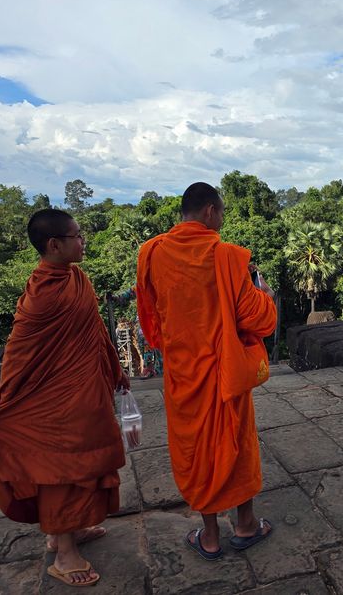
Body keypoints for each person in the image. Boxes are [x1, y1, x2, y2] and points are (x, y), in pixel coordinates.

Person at [0, 209, 129, 587]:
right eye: (76, 236)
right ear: (54, 245)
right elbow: (21, 353)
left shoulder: (77, 278)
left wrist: (116, 369)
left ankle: (66, 532)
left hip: (84, 393)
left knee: (86, 461)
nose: (83, 241)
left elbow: (96, 332)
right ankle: (64, 554)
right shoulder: (42, 296)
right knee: (63, 469)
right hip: (57, 404)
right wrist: (13, 399)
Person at [135, 182, 277, 561]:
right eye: (223, 213)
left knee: (196, 449)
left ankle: (210, 536)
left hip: (183, 372)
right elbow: (258, 318)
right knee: (236, 444)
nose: (222, 220)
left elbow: (149, 312)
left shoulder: (152, 252)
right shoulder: (227, 256)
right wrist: (266, 296)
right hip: (224, 368)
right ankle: (245, 524)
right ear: (211, 212)